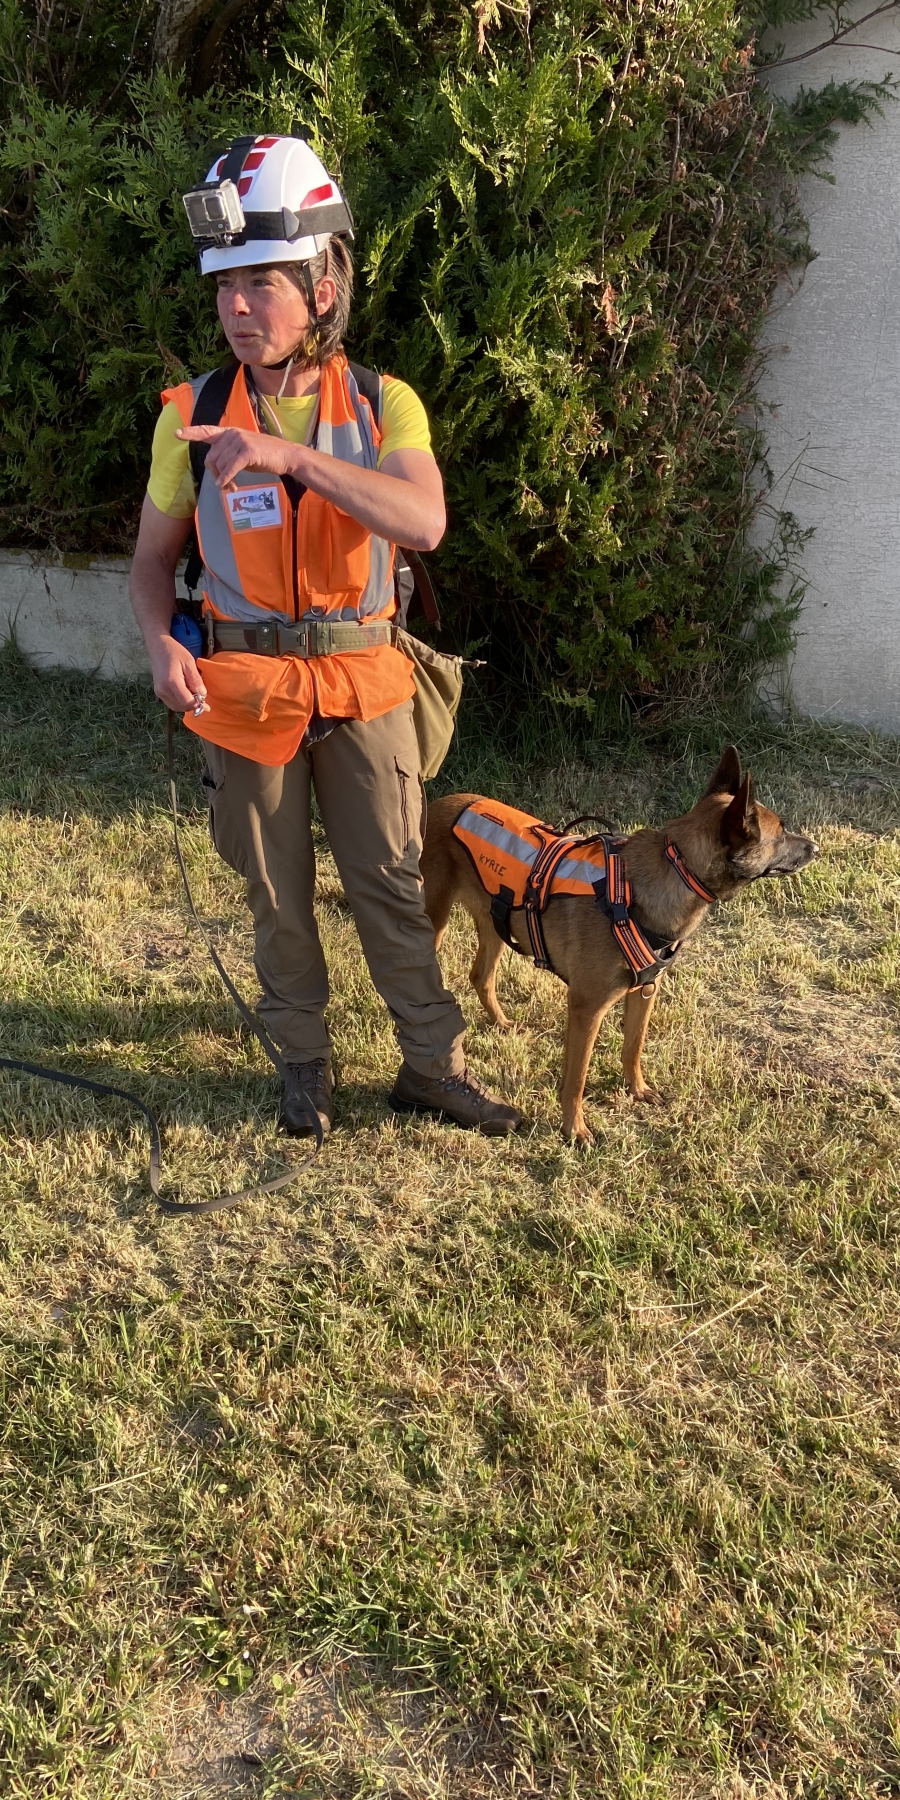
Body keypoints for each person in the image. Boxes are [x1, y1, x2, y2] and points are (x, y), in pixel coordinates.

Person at [128, 134, 521, 1140]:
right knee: (277, 892)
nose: (239, 307)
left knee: (391, 883)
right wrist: (161, 645)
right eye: (225, 286)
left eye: (262, 281)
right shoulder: (190, 418)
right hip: (245, 690)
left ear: (323, 284)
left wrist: (291, 459)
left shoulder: (386, 404)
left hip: (364, 681)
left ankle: (431, 1067)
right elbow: (148, 565)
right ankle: (302, 1062)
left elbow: (423, 523)